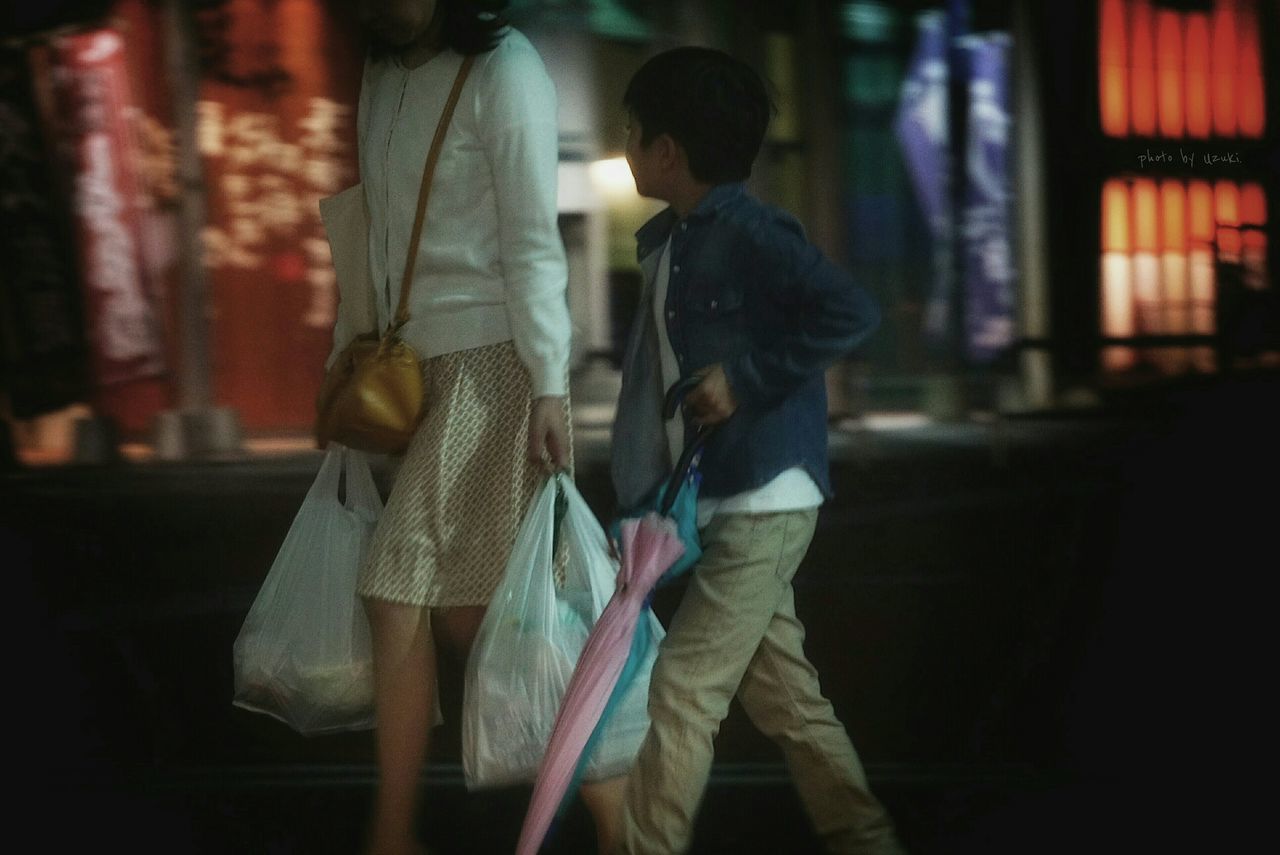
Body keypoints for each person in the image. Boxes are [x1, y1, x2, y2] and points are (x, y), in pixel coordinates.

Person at [608, 47, 907, 854]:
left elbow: (849, 310)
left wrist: (744, 378)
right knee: (787, 702)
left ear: (666, 151)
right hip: (726, 499)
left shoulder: (753, 233)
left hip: (767, 496)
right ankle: (867, 839)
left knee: (683, 688)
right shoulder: (669, 241)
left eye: (630, 134)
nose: (625, 148)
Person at [343, 3, 624, 854]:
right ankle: (621, 811)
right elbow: (371, 227)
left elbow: (534, 241)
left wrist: (549, 382)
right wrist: (348, 351)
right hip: (413, 368)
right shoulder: (381, 71)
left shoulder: (508, 71)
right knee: (475, 620)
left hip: (491, 363)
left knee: (396, 587)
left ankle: (392, 836)